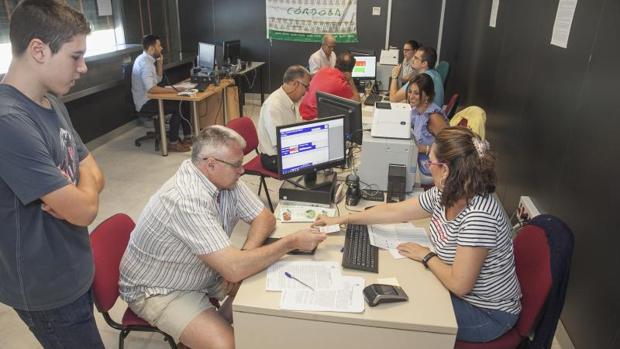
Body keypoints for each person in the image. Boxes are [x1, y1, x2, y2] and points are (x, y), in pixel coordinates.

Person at [120, 125, 327, 349]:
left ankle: (206, 326)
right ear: (210, 164)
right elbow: (234, 269)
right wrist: (291, 241)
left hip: (202, 271)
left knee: (273, 297)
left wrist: (243, 256)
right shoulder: (184, 199)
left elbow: (265, 218)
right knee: (228, 344)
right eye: (237, 165)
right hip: (160, 288)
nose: (243, 170)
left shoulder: (224, 179)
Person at [314, 127, 522, 343]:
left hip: (485, 312)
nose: (427, 167)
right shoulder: (447, 192)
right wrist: (344, 219)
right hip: (459, 290)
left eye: (430, 162)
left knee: (400, 317)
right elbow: (395, 211)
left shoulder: (479, 216)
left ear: (445, 170)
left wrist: (427, 256)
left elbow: (460, 285)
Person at [0, 1, 105, 348]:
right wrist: (81, 198)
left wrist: (81, 194)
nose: (84, 67)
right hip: (47, 287)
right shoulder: (9, 122)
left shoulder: (50, 100)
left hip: (72, 264)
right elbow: (84, 211)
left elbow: (93, 171)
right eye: (75, 56)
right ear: (38, 50)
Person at [132, 34, 192, 152]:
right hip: (145, 102)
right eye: (159, 46)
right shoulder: (145, 64)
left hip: (149, 97)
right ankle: (173, 143)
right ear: (151, 49)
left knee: (184, 100)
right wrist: (174, 91)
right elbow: (151, 88)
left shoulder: (147, 59)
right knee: (177, 106)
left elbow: (158, 80)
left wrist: (160, 62)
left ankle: (188, 137)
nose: (161, 48)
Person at [257, 65, 311, 172]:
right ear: (295, 84)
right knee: (314, 162)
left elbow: (297, 125)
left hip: (288, 148)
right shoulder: (273, 106)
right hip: (274, 158)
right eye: (305, 87)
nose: (305, 92)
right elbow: (280, 144)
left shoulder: (291, 99)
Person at [406, 74, 448, 182]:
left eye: (416, 93)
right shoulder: (416, 109)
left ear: (427, 96)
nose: (411, 96)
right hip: (418, 157)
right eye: (410, 91)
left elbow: (449, 147)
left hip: (434, 166)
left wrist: (425, 149)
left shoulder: (433, 117)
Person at [300, 50, 361, 120]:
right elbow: (357, 103)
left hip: (301, 114)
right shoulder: (342, 85)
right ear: (351, 70)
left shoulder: (322, 71)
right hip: (314, 119)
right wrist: (350, 79)